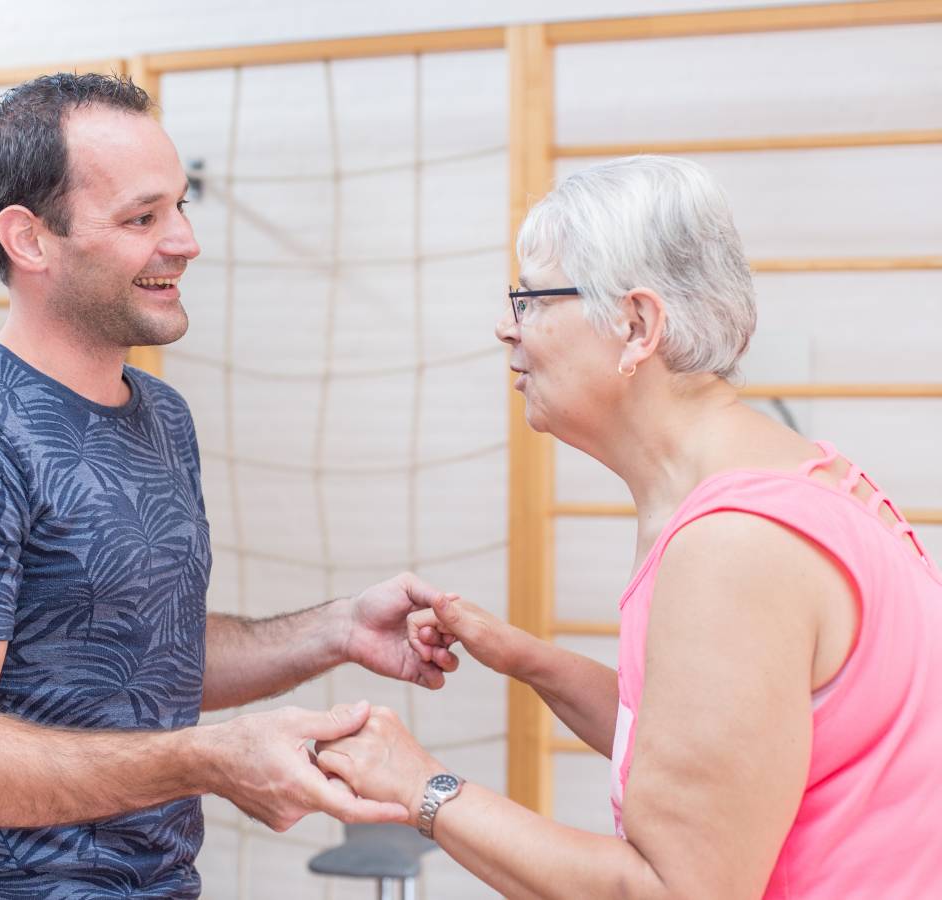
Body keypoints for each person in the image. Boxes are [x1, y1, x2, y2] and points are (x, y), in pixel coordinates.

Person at [0, 73, 458, 898]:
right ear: (30, 239)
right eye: (142, 217)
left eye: (179, 206)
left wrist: (340, 628)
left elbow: (139, 659)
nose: (185, 241)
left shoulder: (161, 416)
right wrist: (210, 758)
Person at [315, 155, 942, 898]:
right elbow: (724, 754)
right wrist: (528, 661)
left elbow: (671, 889)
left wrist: (421, 787)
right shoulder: (806, 480)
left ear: (638, 325)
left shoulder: (734, 545)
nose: (504, 328)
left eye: (532, 300)